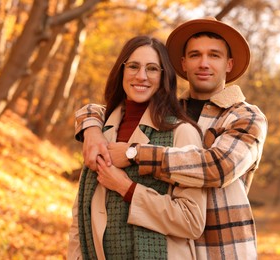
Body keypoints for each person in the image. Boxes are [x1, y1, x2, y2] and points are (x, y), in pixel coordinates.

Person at [75, 17, 268, 259]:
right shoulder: (171, 112)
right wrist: (91, 128)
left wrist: (134, 154)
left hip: (221, 250)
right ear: (183, 63)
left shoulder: (245, 116)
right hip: (172, 246)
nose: (204, 63)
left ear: (229, 64)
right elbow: (113, 108)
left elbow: (218, 167)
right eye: (195, 55)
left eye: (214, 56)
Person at [67, 35, 207, 260]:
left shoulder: (181, 132)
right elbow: (80, 215)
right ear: (121, 70)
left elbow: (191, 220)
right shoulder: (99, 129)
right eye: (133, 66)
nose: (141, 76)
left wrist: (127, 188)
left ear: (164, 77)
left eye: (152, 69)